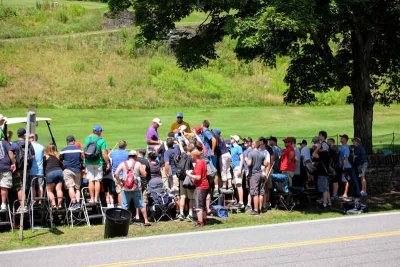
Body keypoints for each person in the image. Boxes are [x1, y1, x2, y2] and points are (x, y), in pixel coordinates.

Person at [114, 150, 151, 226]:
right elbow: (144, 174)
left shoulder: (123, 163)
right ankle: (146, 220)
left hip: (125, 188)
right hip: (136, 187)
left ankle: (123, 222)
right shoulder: (138, 164)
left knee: (124, 205)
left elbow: (116, 174)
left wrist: (120, 182)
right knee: (141, 204)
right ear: (135, 156)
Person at [11, 128, 35, 213]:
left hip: (18, 169)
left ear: (17, 135)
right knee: (25, 187)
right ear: (24, 134)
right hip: (27, 169)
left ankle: (23, 206)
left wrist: (14, 163)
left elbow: (11, 154)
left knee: (19, 188)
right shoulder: (28, 143)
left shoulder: (14, 144)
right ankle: (25, 205)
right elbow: (33, 156)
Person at [84, 125, 110, 204]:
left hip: (88, 162)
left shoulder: (87, 139)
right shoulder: (102, 140)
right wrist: (108, 163)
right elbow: (104, 153)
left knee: (91, 180)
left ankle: (91, 198)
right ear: (99, 132)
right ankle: (96, 198)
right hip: (98, 162)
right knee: (97, 180)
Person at [186, 149, 209, 227]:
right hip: (205, 185)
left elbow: (198, 177)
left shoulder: (198, 163)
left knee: (198, 205)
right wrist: (193, 172)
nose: (191, 157)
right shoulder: (202, 161)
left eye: (192, 156)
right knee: (203, 204)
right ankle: (205, 220)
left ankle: (200, 222)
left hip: (200, 186)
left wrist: (189, 174)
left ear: (195, 156)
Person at [60, 135, 83, 210]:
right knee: (77, 188)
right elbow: (81, 159)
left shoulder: (64, 149)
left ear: (67, 142)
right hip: (77, 170)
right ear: (74, 141)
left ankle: (73, 203)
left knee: (70, 187)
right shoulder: (78, 149)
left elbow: (60, 159)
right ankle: (78, 203)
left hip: (68, 170)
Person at [246, 141, 267, 215]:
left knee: (254, 192)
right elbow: (265, 163)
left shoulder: (251, 153)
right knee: (260, 192)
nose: (251, 145)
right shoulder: (262, 153)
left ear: (254, 145)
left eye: (252, 144)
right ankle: (260, 209)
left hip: (254, 174)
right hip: (260, 174)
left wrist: (246, 159)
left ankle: (255, 210)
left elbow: (249, 163)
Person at [176, 142, 195, 221]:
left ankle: (181, 213)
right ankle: (190, 214)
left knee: (182, 196)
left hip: (182, 178)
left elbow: (181, 148)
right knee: (191, 198)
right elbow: (194, 168)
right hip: (189, 179)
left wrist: (179, 143)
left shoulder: (183, 155)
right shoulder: (192, 157)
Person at [44, 144, 64, 209]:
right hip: (59, 171)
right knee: (59, 189)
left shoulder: (46, 156)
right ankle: (60, 204)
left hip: (50, 172)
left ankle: (53, 205)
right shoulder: (58, 155)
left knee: (49, 191)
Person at [110, 140, 129, 207]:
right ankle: (122, 207)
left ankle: (120, 206)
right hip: (125, 175)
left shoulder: (113, 153)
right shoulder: (127, 153)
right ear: (125, 146)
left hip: (116, 175)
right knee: (124, 191)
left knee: (120, 191)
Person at [0, 138, 16, 211]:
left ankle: (3, 204)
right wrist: (13, 163)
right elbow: (10, 152)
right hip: (5, 167)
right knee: (4, 186)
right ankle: (3, 204)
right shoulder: (5, 142)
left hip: (4, 167)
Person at [29, 134, 45, 206]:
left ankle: (34, 200)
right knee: (40, 186)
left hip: (32, 169)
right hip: (40, 169)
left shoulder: (29, 146)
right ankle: (40, 201)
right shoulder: (41, 147)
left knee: (32, 186)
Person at [213, 129, 229, 195]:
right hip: (223, 156)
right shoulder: (220, 138)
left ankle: (222, 186)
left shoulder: (218, 139)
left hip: (222, 157)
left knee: (221, 171)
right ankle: (223, 186)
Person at [230, 135, 244, 210]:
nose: (230, 139)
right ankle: (238, 201)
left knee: (239, 185)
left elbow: (241, 159)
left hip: (237, 167)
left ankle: (241, 203)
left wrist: (240, 169)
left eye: (231, 138)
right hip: (233, 168)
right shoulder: (231, 147)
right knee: (235, 185)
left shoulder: (239, 147)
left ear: (235, 140)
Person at [242, 137, 253, 211]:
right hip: (246, 171)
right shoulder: (246, 150)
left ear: (250, 142)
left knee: (250, 188)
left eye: (246, 141)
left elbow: (250, 163)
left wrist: (246, 159)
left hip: (249, 171)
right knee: (247, 188)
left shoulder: (250, 151)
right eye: (244, 141)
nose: (245, 142)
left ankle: (249, 205)